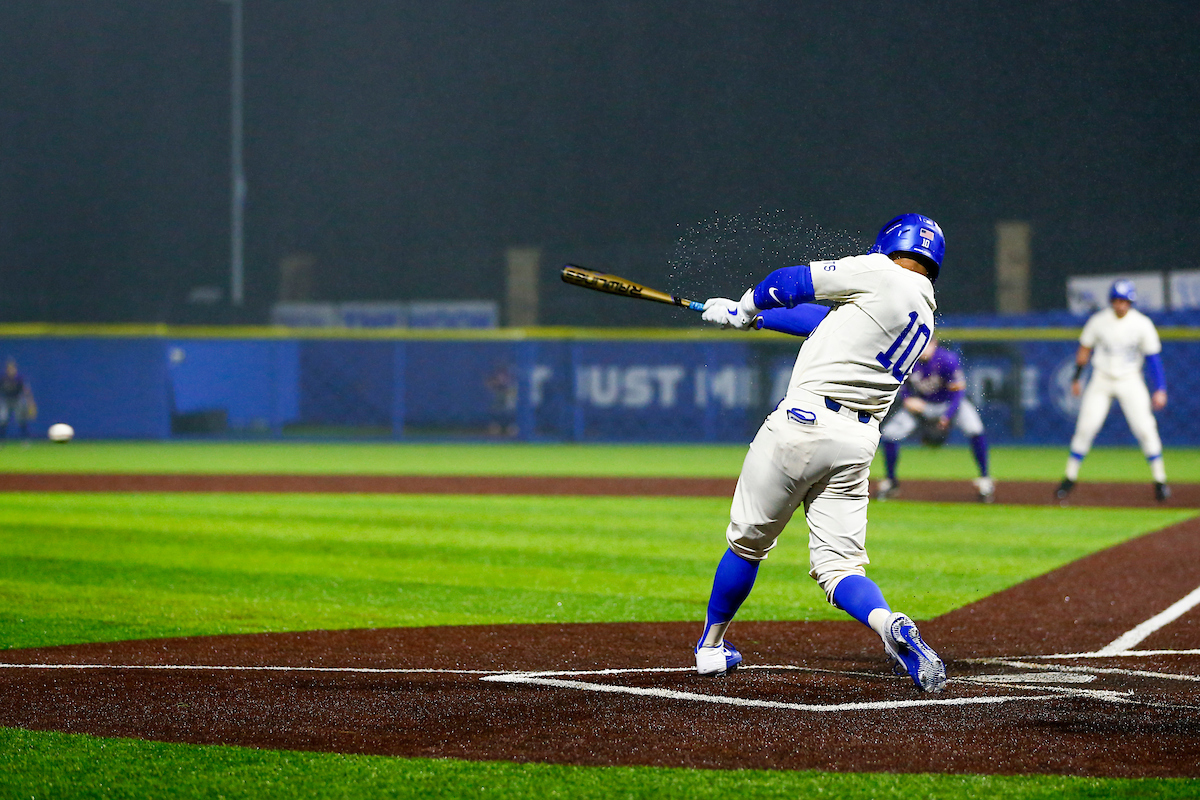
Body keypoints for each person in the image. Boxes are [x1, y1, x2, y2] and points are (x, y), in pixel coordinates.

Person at [695, 213, 947, 693]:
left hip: (802, 425)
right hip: (855, 443)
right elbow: (825, 321)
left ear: (889, 242)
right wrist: (751, 317)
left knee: (747, 545)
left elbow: (788, 282)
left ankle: (711, 648)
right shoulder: (922, 308)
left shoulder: (880, 272)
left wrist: (746, 307)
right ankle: (888, 624)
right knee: (839, 567)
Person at [1056, 280, 1169, 502]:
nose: (1121, 305)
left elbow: (1153, 359)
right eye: (1117, 300)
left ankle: (1160, 480)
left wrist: (1160, 388)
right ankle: (1069, 477)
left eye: (1125, 301)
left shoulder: (1142, 324)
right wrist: (1077, 377)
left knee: (1145, 429)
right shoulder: (1099, 321)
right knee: (1086, 428)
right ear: (1111, 301)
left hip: (1130, 380)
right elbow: (1084, 349)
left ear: (1131, 302)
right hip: (1102, 379)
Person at [876, 336, 993, 502]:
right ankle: (891, 481)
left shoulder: (946, 359)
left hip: (950, 404)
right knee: (889, 434)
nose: (923, 348)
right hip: (923, 405)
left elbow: (958, 393)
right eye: (919, 345)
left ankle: (985, 479)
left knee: (975, 429)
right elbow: (902, 386)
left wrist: (947, 417)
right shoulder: (908, 359)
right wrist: (908, 399)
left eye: (927, 344)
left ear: (934, 344)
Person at [0, 357, 36, 443]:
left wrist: (31, 403)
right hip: (6, 400)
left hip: (17, 400)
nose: (11, 370)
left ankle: (25, 440)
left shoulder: (19, 379)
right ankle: (1, 440)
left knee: (21, 420)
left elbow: (26, 391)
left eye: (13, 368)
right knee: (3, 420)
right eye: (9, 368)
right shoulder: (3, 379)